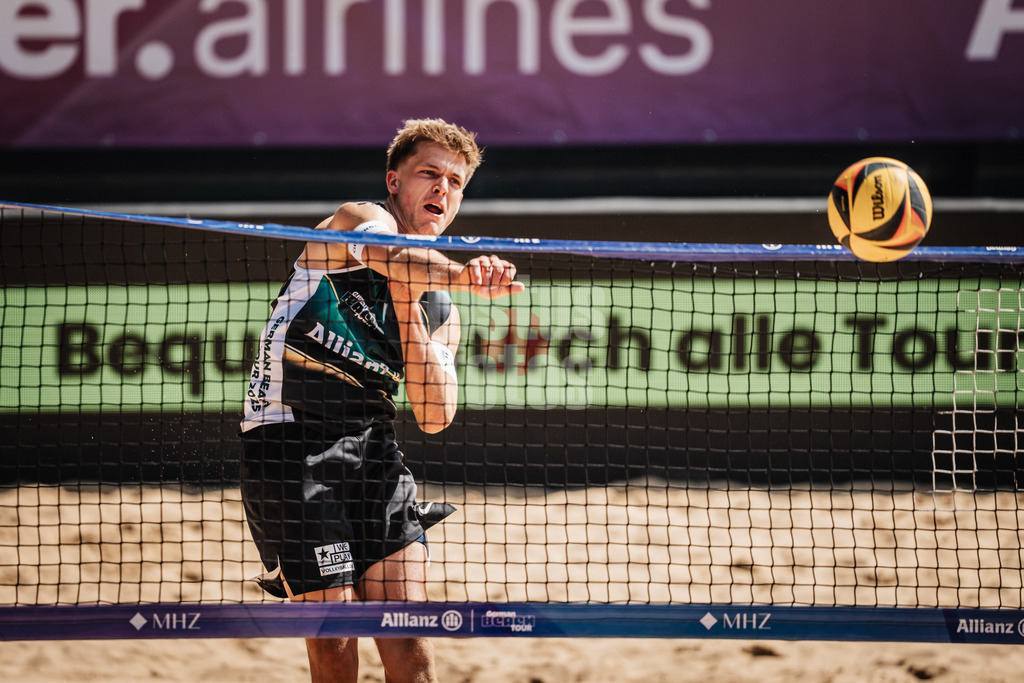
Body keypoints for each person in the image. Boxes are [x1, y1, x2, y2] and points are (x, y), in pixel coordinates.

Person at [239, 118, 524, 682]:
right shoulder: (353, 222)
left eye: (456, 181)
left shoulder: (443, 309)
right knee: (335, 638)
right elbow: (386, 252)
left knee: (410, 638)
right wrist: (461, 275)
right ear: (394, 181)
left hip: (373, 449)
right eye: (429, 174)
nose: (443, 189)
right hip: (290, 442)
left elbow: (437, 415)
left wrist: (409, 302)